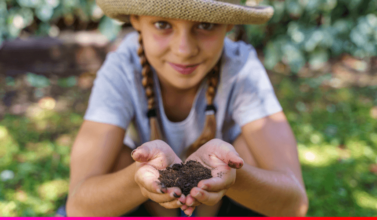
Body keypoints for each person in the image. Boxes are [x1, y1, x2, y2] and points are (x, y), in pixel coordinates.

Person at [62, 0, 309, 217]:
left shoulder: (241, 67)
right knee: (119, 157)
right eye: (162, 24)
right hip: (142, 208)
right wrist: (140, 176)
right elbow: (79, 207)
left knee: (247, 152)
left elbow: (294, 205)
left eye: (206, 25)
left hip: (225, 206)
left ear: (229, 24)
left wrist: (232, 176)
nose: (184, 50)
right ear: (136, 20)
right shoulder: (122, 68)